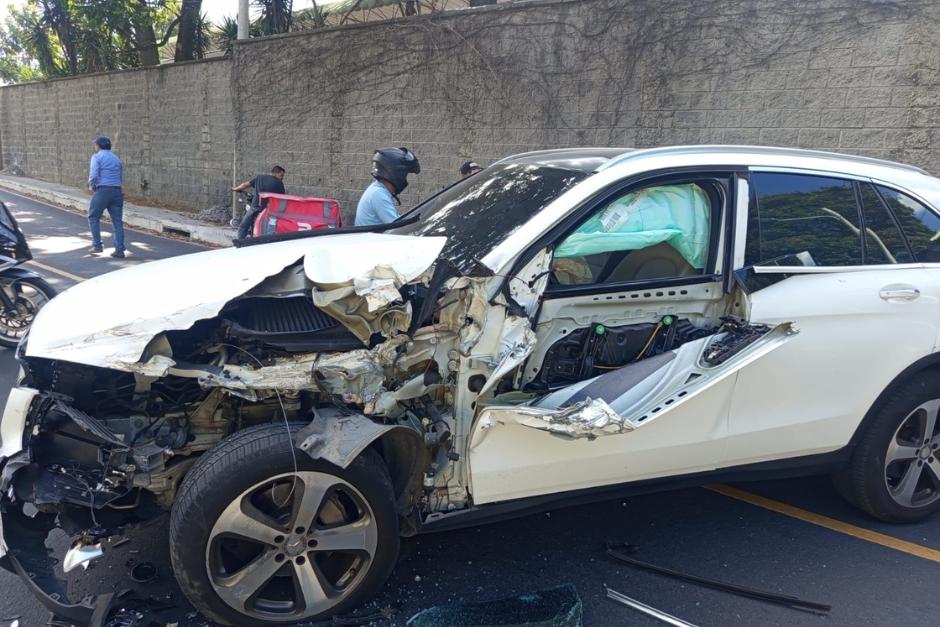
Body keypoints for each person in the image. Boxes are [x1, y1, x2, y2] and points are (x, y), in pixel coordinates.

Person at [354, 147, 420, 226]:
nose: (404, 179)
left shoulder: (378, 190)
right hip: (371, 237)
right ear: (395, 173)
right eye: (404, 174)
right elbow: (396, 226)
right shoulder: (378, 194)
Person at [87, 135, 126, 258]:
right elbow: (120, 176)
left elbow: (93, 174)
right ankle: (119, 249)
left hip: (103, 190)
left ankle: (98, 245)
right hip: (117, 191)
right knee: (117, 222)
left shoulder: (97, 157)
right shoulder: (116, 159)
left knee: (93, 217)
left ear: (98, 146)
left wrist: (91, 186)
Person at [232, 165, 286, 239]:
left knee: (244, 226)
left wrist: (235, 189)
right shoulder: (280, 185)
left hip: (256, 207)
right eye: (281, 175)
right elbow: (282, 199)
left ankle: (240, 241)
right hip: (269, 210)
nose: (282, 178)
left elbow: (245, 185)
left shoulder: (259, 178)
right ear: (275, 173)